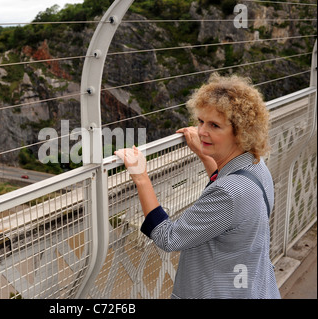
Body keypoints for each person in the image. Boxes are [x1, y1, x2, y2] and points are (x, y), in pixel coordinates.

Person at [114, 73, 281, 299]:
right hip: (255, 287)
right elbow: (230, 193)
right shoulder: (256, 166)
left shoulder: (228, 193)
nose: (202, 131)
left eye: (214, 125)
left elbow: (168, 237)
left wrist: (141, 176)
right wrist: (205, 155)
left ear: (241, 132)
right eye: (201, 121)